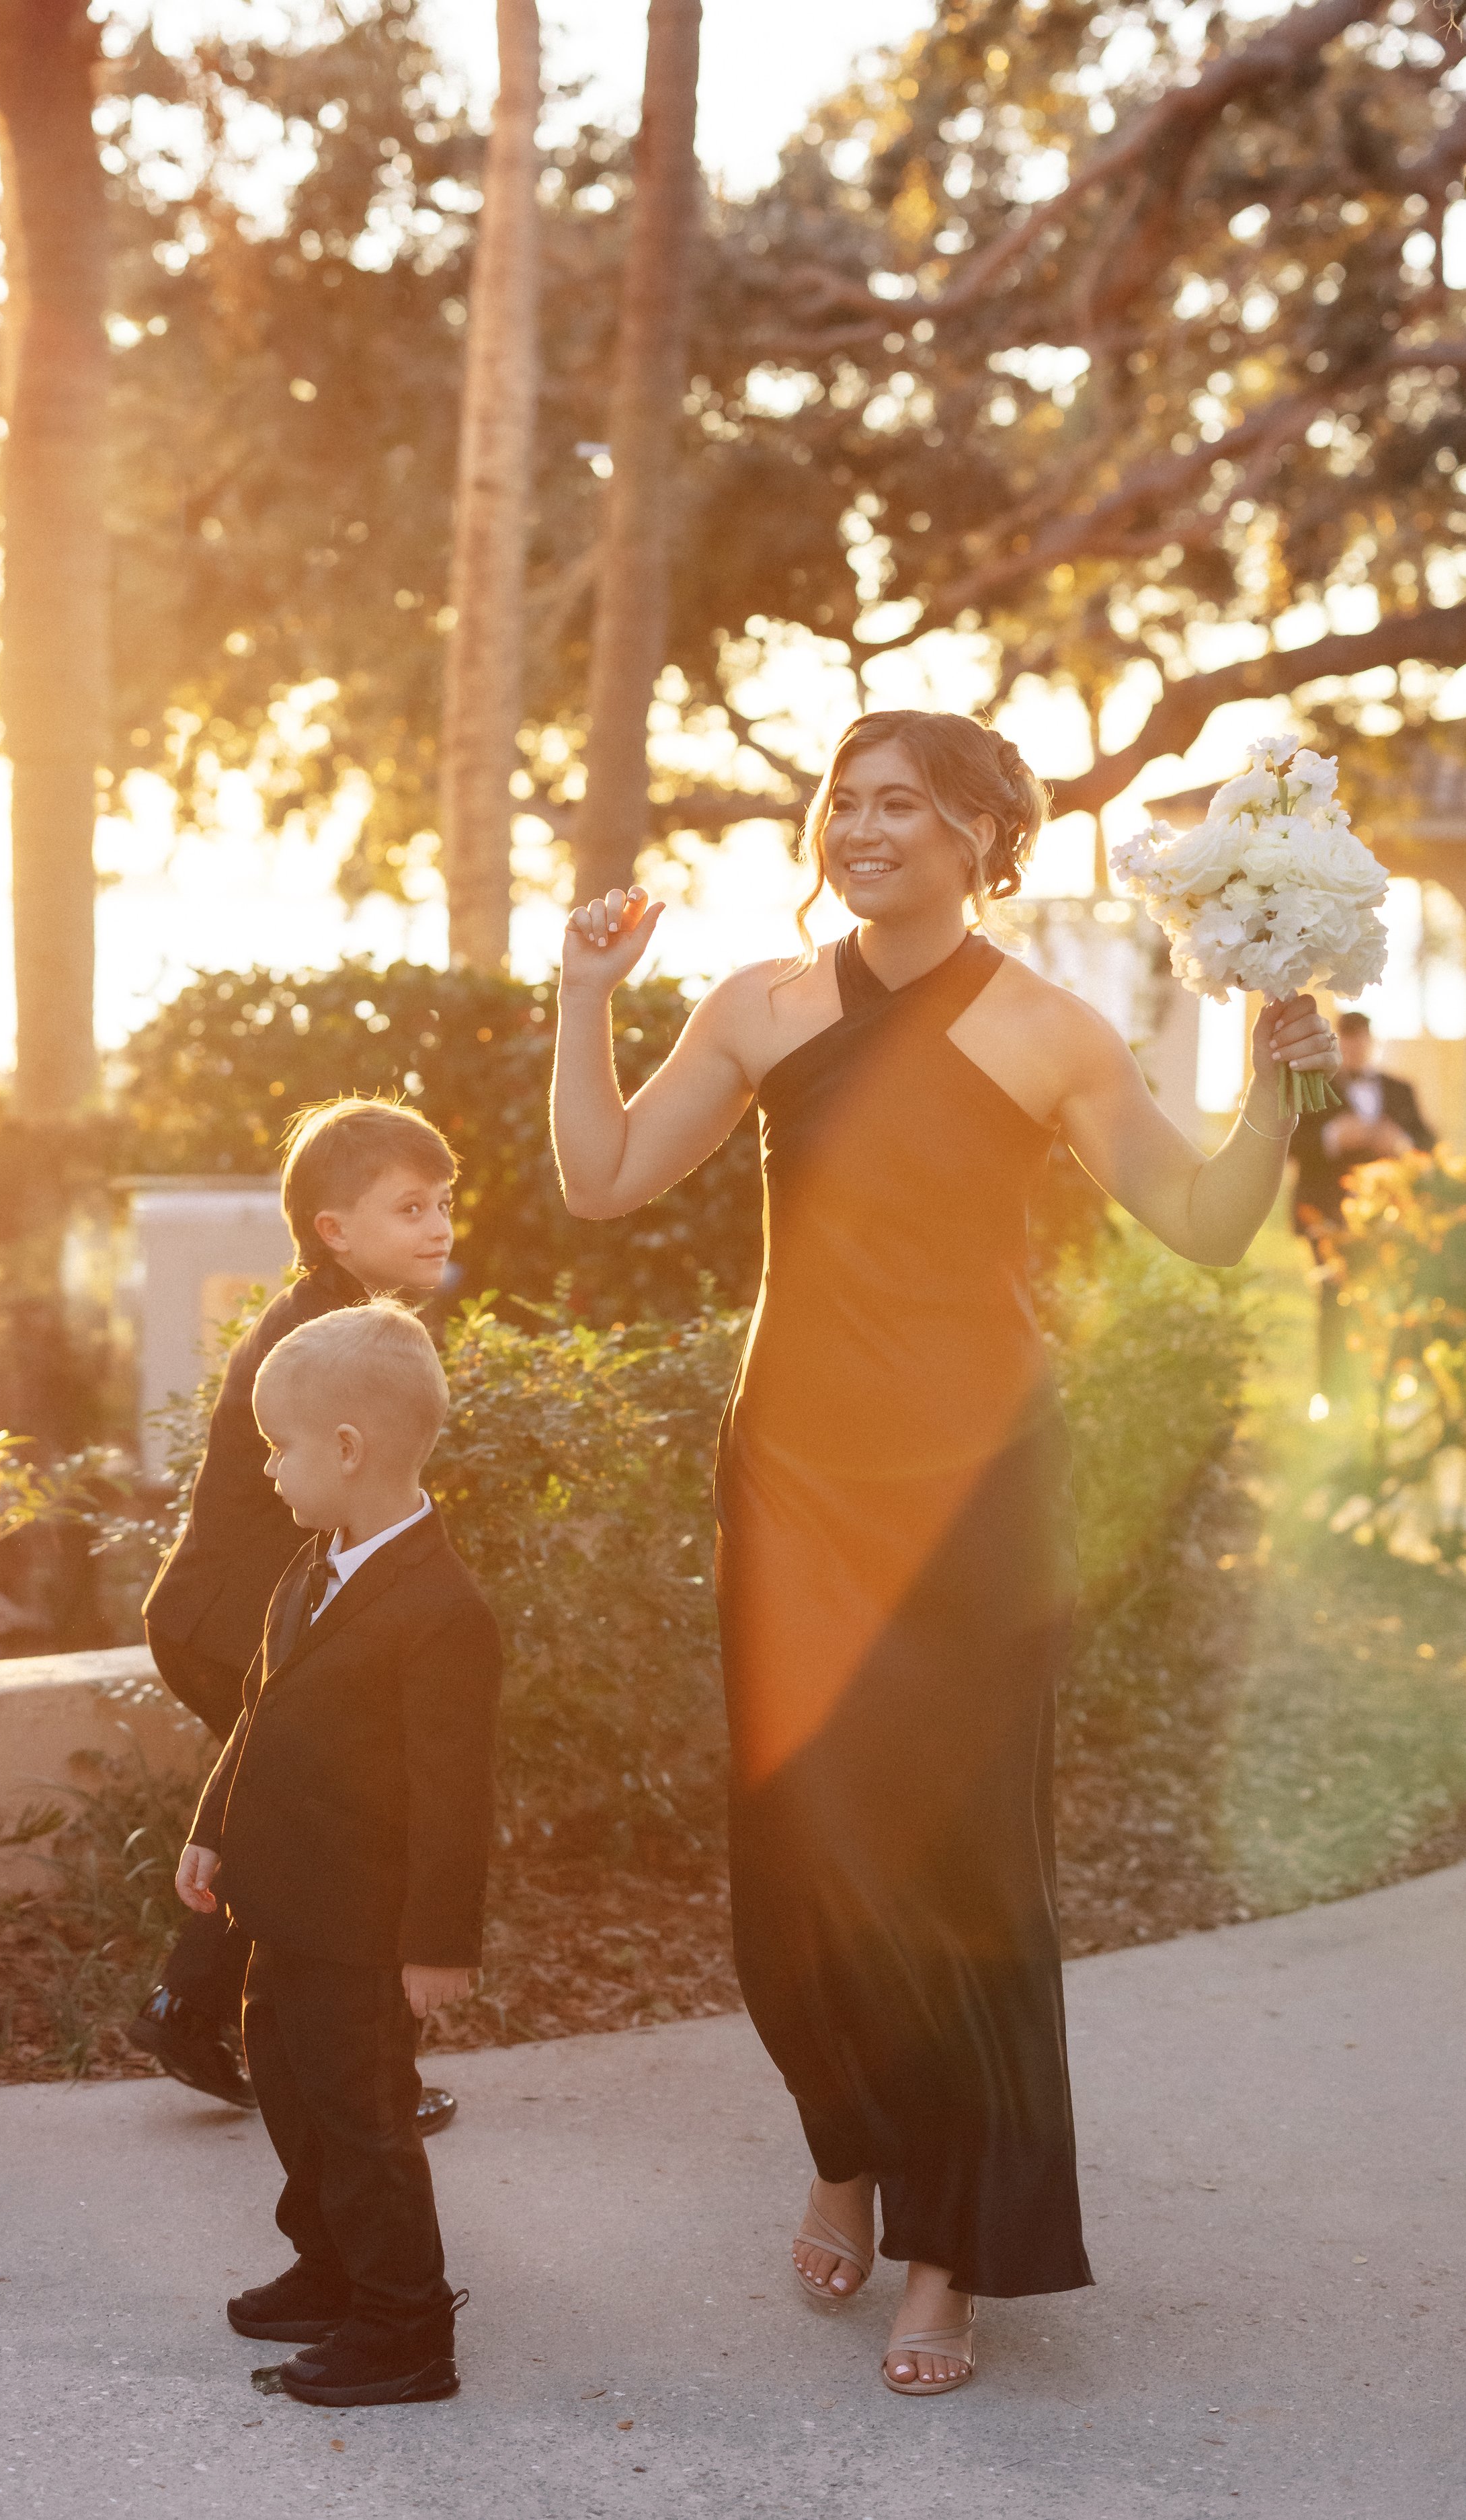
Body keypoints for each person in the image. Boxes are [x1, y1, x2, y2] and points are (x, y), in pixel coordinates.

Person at [550, 706, 1337, 2398]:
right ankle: (846, 2141)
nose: (859, 826)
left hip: (972, 1495)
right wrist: (583, 999)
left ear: (983, 831)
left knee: (960, 1872)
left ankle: (947, 2250)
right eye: (843, 800)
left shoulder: (1049, 1030)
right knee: (799, 1860)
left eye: (899, 802)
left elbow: (1202, 1225)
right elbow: (601, 1177)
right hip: (792, 1479)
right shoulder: (759, 1005)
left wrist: (1274, 1087)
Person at [174, 1300, 501, 2408]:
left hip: (364, 1929)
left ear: (348, 1448)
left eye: (281, 1446)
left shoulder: (443, 1611)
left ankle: (406, 2328)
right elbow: (258, 1712)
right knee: (291, 2090)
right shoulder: (310, 1570)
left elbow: (456, 1797)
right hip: (284, 1910)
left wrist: (438, 1944)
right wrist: (212, 1826)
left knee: (363, 2119)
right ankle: (333, 2267)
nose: (269, 1467)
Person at [132, 1095, 464, 2142]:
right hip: (237, 1629)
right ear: (335, 1230)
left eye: (443, 1203)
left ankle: (192, 2010)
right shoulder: (334, 1340)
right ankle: (359, 2075)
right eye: (410, 1208)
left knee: (287, 1827)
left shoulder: (335, 1317)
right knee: (350, 1828)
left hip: (229, 1621)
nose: (439, 1227)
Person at [1291, 1010, 1434, 1401]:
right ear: (1337, 1042)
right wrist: (1333, 1137)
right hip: (1326, 1215)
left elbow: (1428, 1144)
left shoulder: (1400, 1089)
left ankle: (1388, 1392)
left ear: (1371, 1041)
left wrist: (1401, 1143)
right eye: (1347, 1038)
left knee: (1394, 1302)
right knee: (1333, 1300)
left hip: (1391, 1217)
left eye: (1361, 1038)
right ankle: (1331, 1395)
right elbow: (1286, 1144)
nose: (1355, 1046)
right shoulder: (1312, 1088)